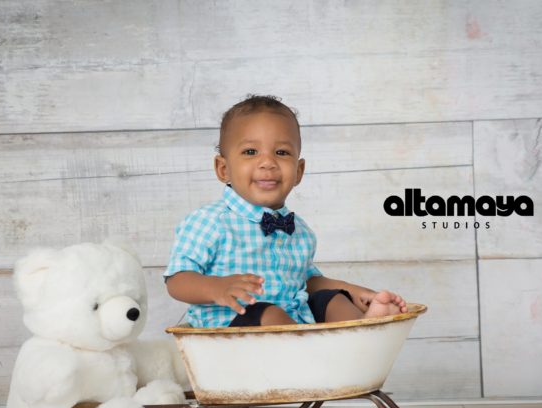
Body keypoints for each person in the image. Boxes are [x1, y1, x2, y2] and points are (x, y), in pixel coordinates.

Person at [164, 95, 407, 328]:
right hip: (232, 328)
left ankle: (360, 329)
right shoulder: (209, 222)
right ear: (223, 169)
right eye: (250, 152)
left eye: (281, 152)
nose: (267, 162)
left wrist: (354, 292)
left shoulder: (300, 231)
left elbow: (308, 282)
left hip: (296, 322)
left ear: (298, 171)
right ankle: (312, 350)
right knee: (268, 312)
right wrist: (216, 288)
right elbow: (177, 280)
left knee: (331, 298)